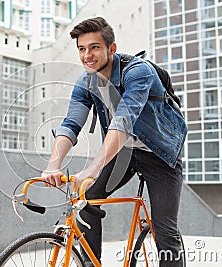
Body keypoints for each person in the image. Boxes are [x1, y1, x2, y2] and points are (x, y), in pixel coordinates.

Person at [42, 17, 187, 267]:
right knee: (87, 200)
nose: (87, 55)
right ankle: (89, 263)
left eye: (94, 47)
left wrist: (92, 168)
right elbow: (71, 124)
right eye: (82, 49)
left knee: (165, 232)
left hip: (161, 154)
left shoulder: (138, 72)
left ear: (112, 49)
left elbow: (123, 122)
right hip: (124, 153)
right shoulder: (86, 82)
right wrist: (52, 165)